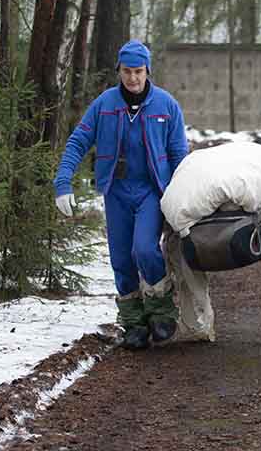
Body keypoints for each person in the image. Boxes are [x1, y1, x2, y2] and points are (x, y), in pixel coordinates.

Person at [54, 40, 188, 350]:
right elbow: (77, 143)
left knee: (143, 249)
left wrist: (182, 193)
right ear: (119, 71)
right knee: (120, 258)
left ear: (147, 71)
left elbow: (179, 153)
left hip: (151, 190)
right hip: (116, 190)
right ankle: (133, 321)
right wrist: (63, 183)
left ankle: (161, 310)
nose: (133, 78)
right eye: (127, 71)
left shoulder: (166, 106)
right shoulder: (105, 104)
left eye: (138, 71)